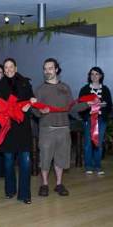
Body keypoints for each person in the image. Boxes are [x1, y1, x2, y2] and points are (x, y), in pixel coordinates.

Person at [0, 58, 35, 204]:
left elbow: (32, 100)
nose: (8, 69)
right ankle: (10, 190)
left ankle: (25, 194)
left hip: (23, 127)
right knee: (8, 161)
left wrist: (30, 105)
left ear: (16, 67)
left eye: (10, 66)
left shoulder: (25, 82)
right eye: (5, 67)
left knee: (25, 161)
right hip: (7, 128)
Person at [35, 58, 73, 197]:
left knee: (60, 158)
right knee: (45, 158)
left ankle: (59, 184)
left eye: (50, 68)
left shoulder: (65, 87)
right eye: (45, 69)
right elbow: (34, 110)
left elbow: (71, 107)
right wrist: (40, 111)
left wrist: (89, 104)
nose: (47, 71)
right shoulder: (40, 89)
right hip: (47, 129)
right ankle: (44, 184)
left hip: (63, 128)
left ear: (56, 69)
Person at [79, 67, 112, 175]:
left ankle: (97, 166)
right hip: (88, 119)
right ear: (89, 76)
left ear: (101, 76)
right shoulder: (84, 89)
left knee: (98, 143)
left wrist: (102, 106)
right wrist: (88, 106)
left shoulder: (105, 89)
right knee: (88, 143)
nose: (94, 76)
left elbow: (109, 106)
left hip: (101, 119)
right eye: (92, 74)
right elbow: (80, 105)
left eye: (96, 74)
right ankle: (88, 166)